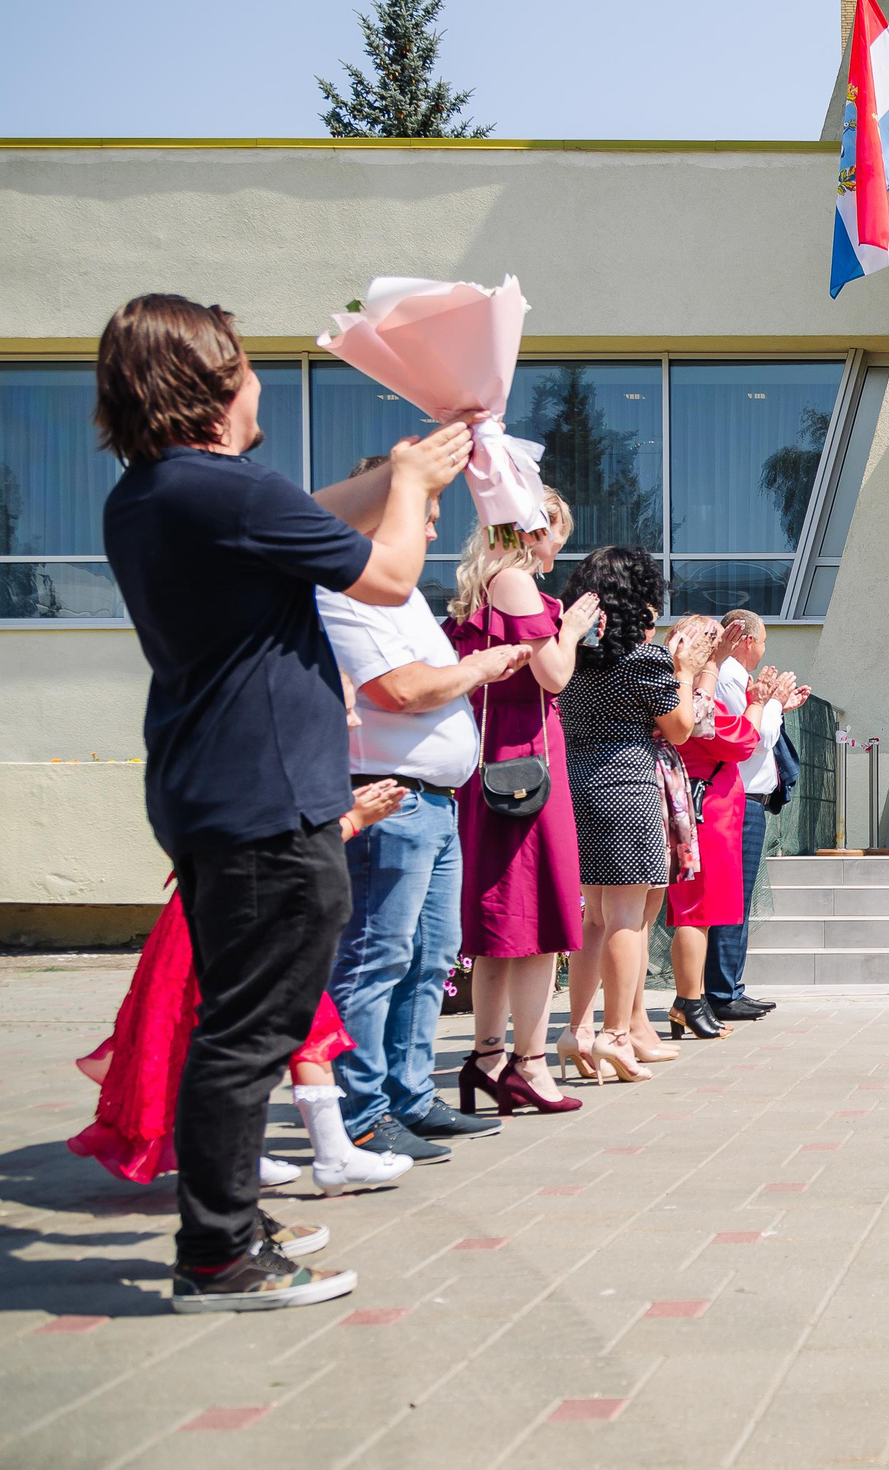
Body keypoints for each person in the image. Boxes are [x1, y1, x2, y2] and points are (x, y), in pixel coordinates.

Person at [96, 292, 468, 1311]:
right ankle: (219, 1255)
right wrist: (407, 486)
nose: (260, 381)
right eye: (250, 366)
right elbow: (390, 577)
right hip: (268, 803)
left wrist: (395, 474)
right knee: (250, 1035)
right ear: (216, 383)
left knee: (236, 1023)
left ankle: (229, 1223)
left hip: (212, 788)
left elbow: (310, 518)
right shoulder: (221, 492)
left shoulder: (156, 493)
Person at [319, 456, 534, 1167]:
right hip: (392, 798)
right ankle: (362, 1110)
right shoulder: (348, 586)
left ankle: (409, 1095)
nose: (436, 522)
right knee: (377, 956)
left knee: (430, 959)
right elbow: (401, 689)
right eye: (425, 505)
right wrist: (482, 666)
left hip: (432, 803)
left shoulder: (402, 591)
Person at [71, 780, 410, 1195]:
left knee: (239, 1031)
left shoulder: (204, 760)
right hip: (243, 913)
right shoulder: (255, 760)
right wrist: (353, 820)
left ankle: (245, 1155)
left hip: (207, 910)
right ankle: (330, 1156)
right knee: (299, 1025)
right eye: (351, 711)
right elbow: (278, 852)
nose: (353, 721)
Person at [444, 488, 597, 1114]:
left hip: (504, 756)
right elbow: (554, 675)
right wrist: (574, 628)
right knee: (533, 918)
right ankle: (527, 1063)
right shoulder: (516, 582)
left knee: (506, 918)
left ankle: (488, 1058)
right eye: (553, 529)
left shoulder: (493, 583)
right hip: (525, 760)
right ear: (530, 531)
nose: (558, 544)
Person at [557, 548, 710, 1084]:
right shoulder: (643, 662)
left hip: (578, 783)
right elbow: (681, 729)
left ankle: (577, 1028)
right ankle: (616, 1033)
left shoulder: (570, 657)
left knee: (595, 916)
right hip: (627, 785)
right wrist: (686, 672)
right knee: (626, 917)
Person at [664, 615, 770, 1041]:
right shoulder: (683, 694)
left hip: (710, 806)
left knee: (704, 912)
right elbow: (739, 739)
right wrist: (759, 703)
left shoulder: (684, 690)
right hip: (704, 809)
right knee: (697, 911)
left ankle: (688, 1000)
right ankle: (690, 1001)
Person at [706, 609, 803, 1022]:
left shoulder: (734, 676)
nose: (764, 651)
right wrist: (775, 705)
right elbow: (755, 738)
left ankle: (729, 987)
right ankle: (722, 991)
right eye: (763, 641)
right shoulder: (727, 675)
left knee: (738, 900)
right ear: (747, 640)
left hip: (748, 800)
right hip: (739, 800)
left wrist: (778, 706)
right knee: (732, 900)